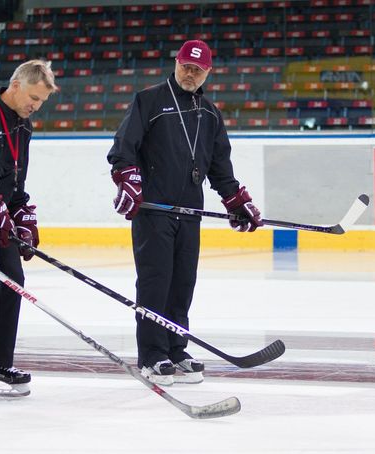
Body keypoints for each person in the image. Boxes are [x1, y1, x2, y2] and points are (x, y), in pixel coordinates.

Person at [106, 40, 263, 386]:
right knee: (155, 282)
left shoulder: (210, 114)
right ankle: (152, 354)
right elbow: (123, 148)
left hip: (190, 212)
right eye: (185, 66)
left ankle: (176, 348)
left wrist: (236, 200)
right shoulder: (148, 100)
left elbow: (220, 167)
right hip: (155, 211)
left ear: (208, 72)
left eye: (198, 69)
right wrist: (127, 179)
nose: (190, 73)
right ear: (176, 63)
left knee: (182, 285)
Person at [0, 59, 58, 396]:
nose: (35, 107)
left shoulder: (24, 126)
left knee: (13, 282)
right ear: (15, 85)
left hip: (1, 216)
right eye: (33, 98)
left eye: (41, 102)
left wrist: (22, 212)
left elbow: (15, 177)